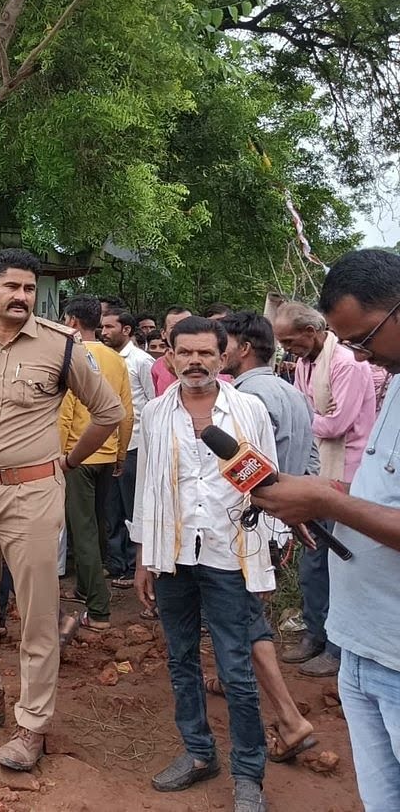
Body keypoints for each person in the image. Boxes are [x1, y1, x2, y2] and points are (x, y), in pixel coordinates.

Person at [0, 250, 123, 772]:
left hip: (32, 495)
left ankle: (32, 723)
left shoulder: (60, 346)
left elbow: (109, 412)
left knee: (35, 614)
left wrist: (70, 461)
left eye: (30, 289)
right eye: (12, 287)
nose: (21, 296)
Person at [253, 249, 400, 812]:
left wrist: (321, 498)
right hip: (363, 643)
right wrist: (331, 501)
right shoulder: (394, 378)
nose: (360, 355)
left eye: (364, 337)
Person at [132, 315, 278, 812]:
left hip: (230, 554)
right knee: (180, 660)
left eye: (206, 354)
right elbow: (148, 486)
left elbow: (268, 485)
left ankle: (248, 773)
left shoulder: (248, 410)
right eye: (185, 353)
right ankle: (198, 753)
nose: (195, 362)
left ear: (223, 356)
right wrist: (144, 557)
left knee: (236, 669)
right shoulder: (154, 414)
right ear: (169, 355)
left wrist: (268, 557)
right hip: (173, 554)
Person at [218, 310, 319, 763]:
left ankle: (289, 718)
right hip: (282, 520)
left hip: (250, 525)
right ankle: (229, 675)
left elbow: (244, 472)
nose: (218, 350)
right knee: (249, 608)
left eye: (224, 342)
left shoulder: (244, 398)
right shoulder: (291, 391)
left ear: (242, 347)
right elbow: (312, 457)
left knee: (244, 616)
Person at [273, 299, 377, 679]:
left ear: (311, 333)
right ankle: (316, 634)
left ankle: (336, 648)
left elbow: (336, 425)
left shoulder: (346, 363)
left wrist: (300, 420)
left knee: (335, 562)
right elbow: (313, 416)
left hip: (345, 474)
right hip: (316, 469)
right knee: (313, 559)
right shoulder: (305, 363)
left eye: (290, 340)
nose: (287, 348)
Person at [58, 295, 133, 631]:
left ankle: (99, 609)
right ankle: (89, 585)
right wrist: (120, 453)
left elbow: (66, 412)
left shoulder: (71, 355)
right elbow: (125, 413)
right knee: (98, 524)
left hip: (77, 456)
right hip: (107, 453)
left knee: (83, 530)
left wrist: (60, 457)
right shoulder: (116, 360)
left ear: (72, 321)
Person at [99, 308, 156, 588]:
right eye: (103, 327)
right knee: (111, 507)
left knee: (133, 505)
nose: (104, 332)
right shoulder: (103, 359)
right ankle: (116, 563)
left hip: (135, 444)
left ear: (127, 330)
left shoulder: (142, 361)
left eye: (110, 327)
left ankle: (136, 564)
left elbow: (152, 402)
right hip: (109, 443)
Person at [151, 307, 194, 395]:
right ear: (164, 334)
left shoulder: (210, 360)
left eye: (188, 326)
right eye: (174, 327)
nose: (182, 331)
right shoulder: (157, 366)